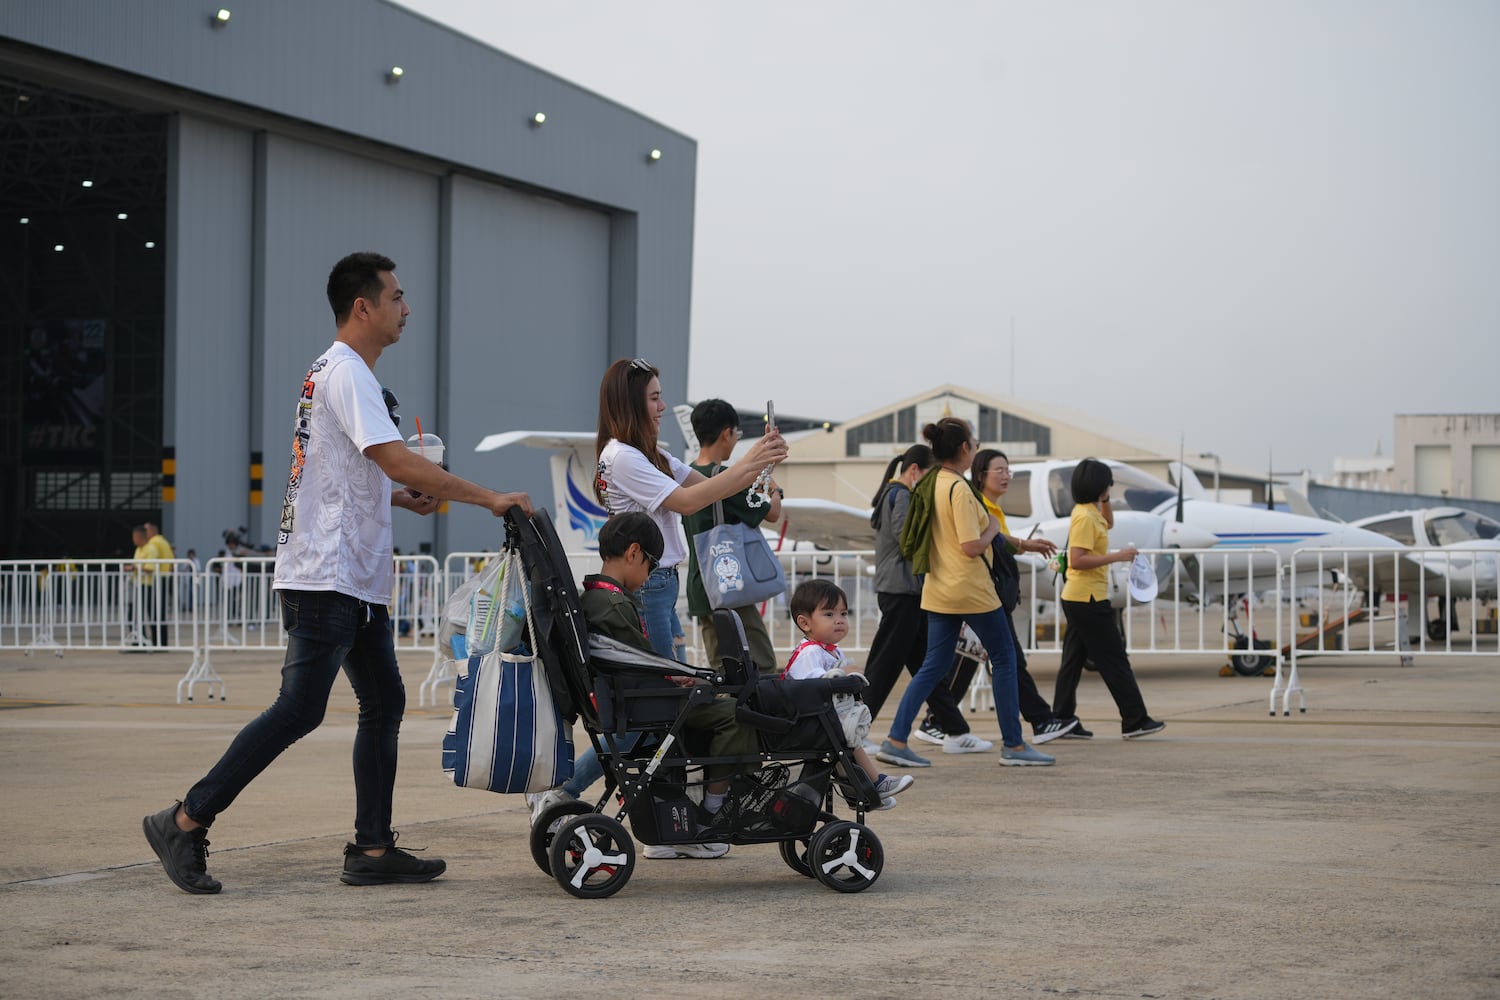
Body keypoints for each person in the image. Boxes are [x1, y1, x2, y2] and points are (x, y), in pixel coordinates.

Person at [142, 251, 534, 894]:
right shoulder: (347, 374)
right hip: (326, 573)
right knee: (300, 708)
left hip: (352, 574)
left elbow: (357, 475)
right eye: (398, 297)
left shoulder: (340, 374)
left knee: (384, 702)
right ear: (364, 306)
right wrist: (488, 497)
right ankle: (184, 820)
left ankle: (373, 850)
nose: (407, 309)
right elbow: (397, 462)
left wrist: (404, 498)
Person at [576, 513, 760, 859]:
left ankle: (675, 825)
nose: (650, 574)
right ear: (633, 552)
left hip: (632, 697)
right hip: (647, 703)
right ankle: (709, 816)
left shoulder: (596, 597)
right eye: (652, 563)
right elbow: (645, 663)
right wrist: (700, 679)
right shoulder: (615, 605)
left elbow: (637, 661)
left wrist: (682, 676)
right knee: (738, 714)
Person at [876, 418, 1054, 768]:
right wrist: (992, 526)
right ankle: (1014, 746)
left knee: (933, 665)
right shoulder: (958, 488)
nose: (974, 447)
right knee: (1003, 659)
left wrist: (1017, 542)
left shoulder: (932, 484)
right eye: (973, 443)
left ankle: (896, 739)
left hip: (939, 588)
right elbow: (971, 545)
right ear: (964, 450)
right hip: (969, 588)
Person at [916, 449, 1079, 744]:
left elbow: (999, 541)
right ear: (980, 474)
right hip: (978, 594)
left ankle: (936, 720)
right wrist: (1009, 538)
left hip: (983, 594)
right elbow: (981, 543)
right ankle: (1036, 725)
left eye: (1008, 471)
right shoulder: (975, 503)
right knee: (1005, 658)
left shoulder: (989, 507)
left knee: (967, 658)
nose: (1006, 476)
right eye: (999, 470)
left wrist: (1025, 544)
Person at [860, 445, 989, 754]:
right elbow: (909, 543)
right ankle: (857, 732)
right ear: (915, 470)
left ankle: (956, 731)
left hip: (905, 591)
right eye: (930, 475)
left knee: (926, 665)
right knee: (884, 667)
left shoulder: (895, 494)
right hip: (901, 592)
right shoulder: (901, 495)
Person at [1051, 458, 1166, 740]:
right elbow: (1077, 560)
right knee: (1114, 659)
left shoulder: (1089, 512)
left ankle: (1061, 719)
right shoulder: (1084, 518)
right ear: (1098, 486)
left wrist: (1105, 499)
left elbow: (1109, 522)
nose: (1110, 487)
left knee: (1072, 661)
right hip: (1087, 599)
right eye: (1108, 483)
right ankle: (1135, 720)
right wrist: (1118, 557)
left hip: (1082, 598)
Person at [784, 580, 914, 809]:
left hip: (818, 718)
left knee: (845, 739)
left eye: (844, 613)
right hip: (801, 721)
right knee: (847, 738)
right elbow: (814, 684)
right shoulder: (810, 652)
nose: (839, 620)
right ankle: (875, 784)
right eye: (829, 614)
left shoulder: (828, 650)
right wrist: (844, 674)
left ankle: (863, 793)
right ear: (804, 622)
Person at [681, 398, 781, 676]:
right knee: (762, 666)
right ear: (727, 433)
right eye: (736, 434)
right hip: (731, 586)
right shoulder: (723, 478)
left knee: (722, 671)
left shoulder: (686, 475)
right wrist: (775, 489)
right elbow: (771, 513)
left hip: (701, 589)